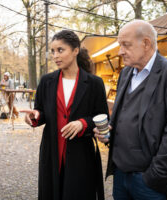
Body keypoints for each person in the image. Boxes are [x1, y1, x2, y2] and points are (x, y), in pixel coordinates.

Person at [94, 20, 167, 200]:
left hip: (150, 181)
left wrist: (154, 177)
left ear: (146, 43)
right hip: (121, 176)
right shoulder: (125, 73)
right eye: (120, 45)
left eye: (125, 45)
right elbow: (124, 119)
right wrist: (108, 134)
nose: (120, 51)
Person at [21, 30, 108, 200]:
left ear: (75, 50)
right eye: (52, 51)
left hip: (81, 153)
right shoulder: (46, 81)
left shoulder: (94, 83)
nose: (55, 56)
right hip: (52, 150)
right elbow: (42, 112)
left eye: (60, 50)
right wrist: (35, 116)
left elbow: (103, 117)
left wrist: (83, 123)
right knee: (51, 192)